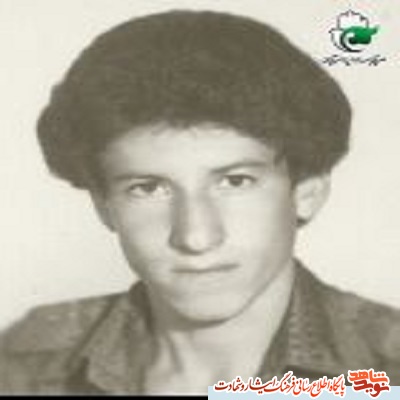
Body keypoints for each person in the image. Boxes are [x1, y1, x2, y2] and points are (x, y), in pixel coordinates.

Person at [0, 9, 399, 395]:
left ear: (307, 192)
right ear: (103, 206)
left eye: (235, 181)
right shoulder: (21, 366)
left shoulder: (386, 376)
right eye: (148, 188)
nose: (196, 237)